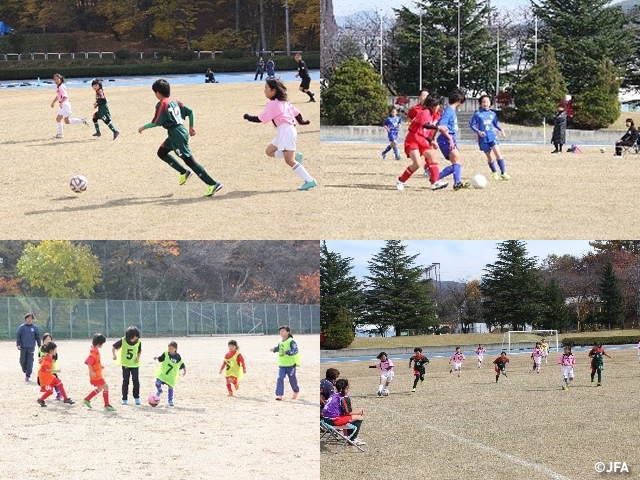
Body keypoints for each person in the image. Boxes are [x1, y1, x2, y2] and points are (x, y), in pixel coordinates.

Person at [138, 79, 223, 197]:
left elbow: (156, 122)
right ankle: (184, 172)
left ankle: (212, 184)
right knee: (161, 152)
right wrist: (191, 127)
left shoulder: (162, 103)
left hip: (176, 134)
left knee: (190, 161)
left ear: (157, 93)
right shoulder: (175, 101)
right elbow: (190, 112)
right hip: (177, 132)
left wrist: (143, 127)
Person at [243, 78, 317, 191]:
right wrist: (302, 122)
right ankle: (296, 156)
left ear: (273, 91)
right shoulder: (284, 102)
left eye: (266, 88)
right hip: (285, 131)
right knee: (269, 152)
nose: (264, 91)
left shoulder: (273, 104)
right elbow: (296, 113)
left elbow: (261, 119)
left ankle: (309, 180)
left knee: (289, 161)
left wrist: (248, 117)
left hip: (285, 131)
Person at [396, 95, 449, 191]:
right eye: (438, 105)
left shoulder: (433, 114)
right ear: (433, 105)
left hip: (423, 140)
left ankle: (435, 183)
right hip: (413, 140)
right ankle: (401, 181)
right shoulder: (425, 112)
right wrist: (438, 128)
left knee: (432, 158)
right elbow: (425, 125)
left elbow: (424, 131)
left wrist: (431, 141)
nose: (439, 107)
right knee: (417, 164)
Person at [468, 95, 510, 180]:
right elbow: (472, 125)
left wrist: (501, 130)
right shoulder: (478, 114)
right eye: (484, 102)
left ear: (490, 103)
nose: (485, 103)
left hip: (492, 137)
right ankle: (494, 172)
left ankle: (503, 173)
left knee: (498, 154)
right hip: (483, 139)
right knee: (489, 157)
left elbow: (495, 124)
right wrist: (478, 132)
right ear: (480, 103)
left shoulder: (493, 114)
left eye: (487, 102)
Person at [437, 89, 471, 190]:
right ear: (460, 101)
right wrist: (450, 139)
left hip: (449, 139)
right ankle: (457, 183)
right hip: (446, 139)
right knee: (457, 161)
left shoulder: (451, 110)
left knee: (457, 163)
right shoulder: (449, 111)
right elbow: (441, 126)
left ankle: (435, 177)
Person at [321, 378, 366, 447]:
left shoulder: (333, 395)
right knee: (359, 417)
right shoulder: (343, 397)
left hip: (324, 420)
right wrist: (359, 411)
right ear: (347, 387)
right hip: (333, 421)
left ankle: (349, 436)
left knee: (350, 418)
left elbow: (343, 412)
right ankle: (353, 439)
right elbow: (348, 413)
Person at [50, 73, 88, 139]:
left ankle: (81, 120)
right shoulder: (59, 86)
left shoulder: (61, 87)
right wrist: (53, 102)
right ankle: (60, 134)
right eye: (54, 79)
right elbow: (58, 96)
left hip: (65, 105)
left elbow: (65, 96)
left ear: (60, 79)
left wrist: (61, 103)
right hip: (62, 105)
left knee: (66, 121)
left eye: (57, 79)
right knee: (58, 119)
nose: (55, 81)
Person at [83, 333, 115, 410]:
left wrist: (100, 366)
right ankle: (107, 405)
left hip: (97, 373)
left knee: (100, 388)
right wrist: (91, 371)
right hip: (96, 374)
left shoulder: (94, 350)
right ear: (99, 343)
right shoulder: (94, 352)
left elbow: (94, 362)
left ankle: (87, 399)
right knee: (106, 387)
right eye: (102, 343)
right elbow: (88, 362)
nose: (102, 345)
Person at [37, 342, 75, 407]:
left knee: (59, 383)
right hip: (45, 377)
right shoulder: (48, 358)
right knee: (50, 391)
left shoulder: (48, 357)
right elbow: (47, 369)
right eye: (55, 349)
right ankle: (40, 399)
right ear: (51, 351)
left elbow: (42, 362)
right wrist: (56, 370)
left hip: (49, 376)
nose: (56, 351)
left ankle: (65, 399)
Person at [111, 326, 142, 405]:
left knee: (136, 381)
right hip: (125, 364)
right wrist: (114, 355)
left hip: (135, 365)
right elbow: (114, 347)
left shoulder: (138, 342)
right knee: (126, 381)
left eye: (136, 337)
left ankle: (137, 397)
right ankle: (124, 398)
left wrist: (138, 357)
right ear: (128, 336)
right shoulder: (123, 340)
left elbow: (139, 350)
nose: (134, 339)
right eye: (133, 338)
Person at [269, 325, 301, 400]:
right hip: (282, 365)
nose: (281, 332)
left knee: (292, 379)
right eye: (280, 331)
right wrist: (274, 349)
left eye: (283, 331)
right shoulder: (280, 341)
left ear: (288, 332)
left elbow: (295, 350)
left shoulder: (291, 341)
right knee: (280, 378)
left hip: (291, 365)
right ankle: (279, 394)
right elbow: (279, 348)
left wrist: (287, 352)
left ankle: (296, 390)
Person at [154, 341, 187, 406]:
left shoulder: (178, 357)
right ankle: (159, 390)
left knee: (170, 387)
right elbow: (161, 358)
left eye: (171, 349)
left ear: (175, 349)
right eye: (169, 349)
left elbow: (181, 363)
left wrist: (184, 369)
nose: (170, 350)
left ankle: (170, 400)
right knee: (157, 382)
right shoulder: (166, 354)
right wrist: (157, 358)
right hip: (163, 374)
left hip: (171, 376)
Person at [16, 313, 41, 382]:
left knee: (30, 362)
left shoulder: (35, 328)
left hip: (31, 347)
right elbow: (18, 336)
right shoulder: (22, 327)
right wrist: (18, 344)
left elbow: (38, 337)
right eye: (28, 318)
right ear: (25, 319)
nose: (29, 320)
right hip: (23, 347)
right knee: (22, 361)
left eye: (31, 318)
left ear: (32, 320)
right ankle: (25, 369)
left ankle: (27, 375)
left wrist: (39, 345)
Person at [38, 333, 61, 400]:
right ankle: (48, 392)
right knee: (44, 382)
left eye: (49, 339)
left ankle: (59, 393)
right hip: (44, 369)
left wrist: (48, 360)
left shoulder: (53, 348)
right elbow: (39, 356)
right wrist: (41, 359)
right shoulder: (41, 348)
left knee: (56, 381)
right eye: (46, 339)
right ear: (43, 340)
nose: (48, 340)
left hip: (52, 368)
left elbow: (55, 358)